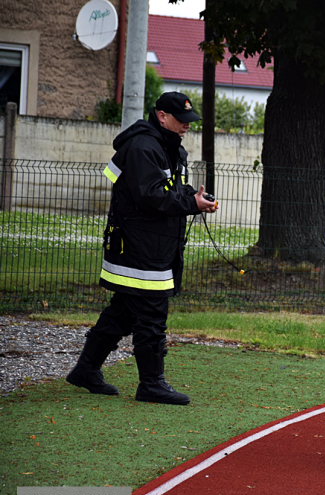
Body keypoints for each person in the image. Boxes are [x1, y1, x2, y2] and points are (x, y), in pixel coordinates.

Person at [66, 92, 217, 405]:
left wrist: (195, 198)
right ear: (161, 116)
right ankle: (151, 384)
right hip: (140, 250)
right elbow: (149, 196)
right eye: (181, 120)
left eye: (189, 121)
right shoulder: (143, 146)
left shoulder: (166, 146)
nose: (187, 127)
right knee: (151, 315)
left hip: (150, 246)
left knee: (122, 314)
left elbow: (168, 189)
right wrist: (191, 203)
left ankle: (85, 370)